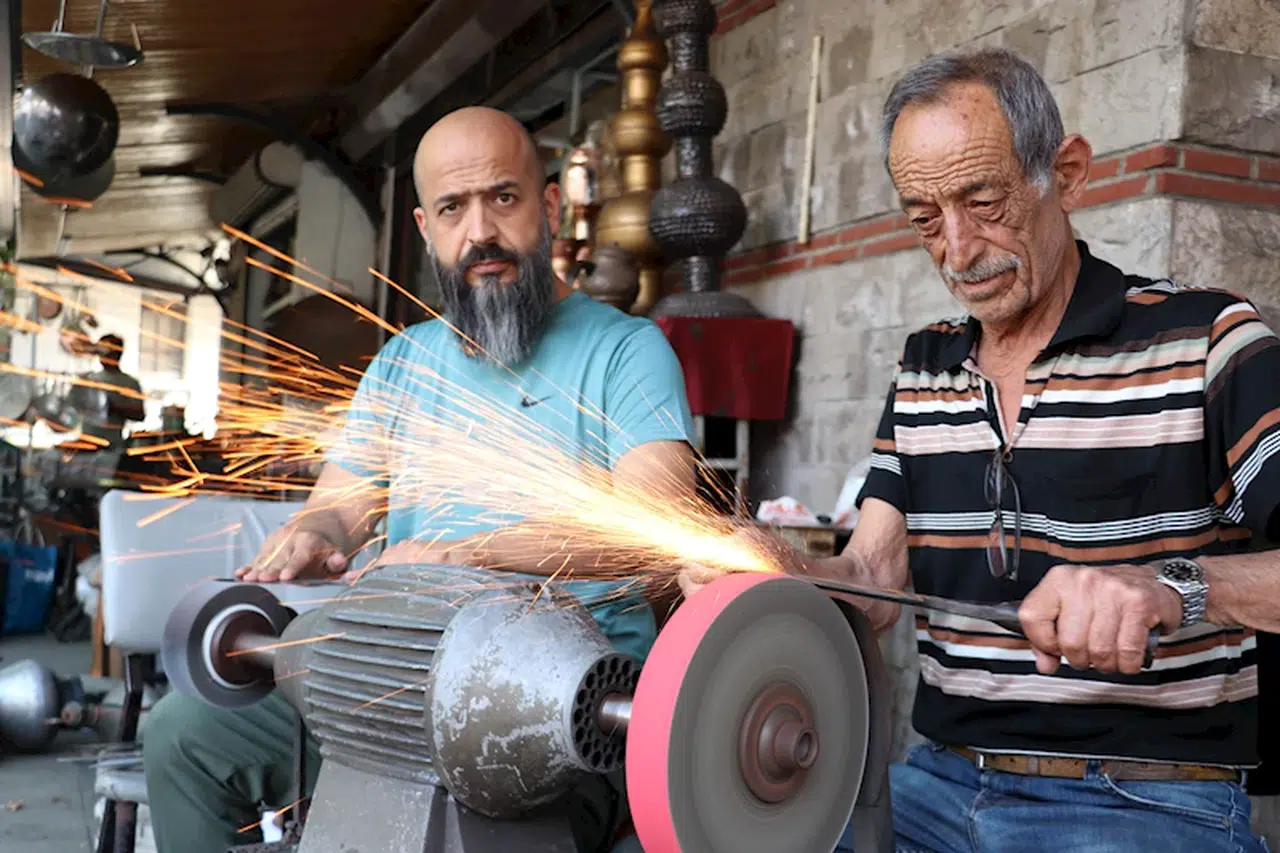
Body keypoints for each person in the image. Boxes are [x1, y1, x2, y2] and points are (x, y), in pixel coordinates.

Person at [684, 48, 1280, 853]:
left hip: (1140, 800)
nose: (958, 252)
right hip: (936, 784)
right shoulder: (925, 365)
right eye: (925, 218)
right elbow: (870, 580)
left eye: (984, 201)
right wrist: (784, 569)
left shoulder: (1207, 340)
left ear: (1066, 175)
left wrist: (1172, 586)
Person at [142, 106, 698, 853]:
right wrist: (312, 532)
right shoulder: (403, 362)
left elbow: (657, 537)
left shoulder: (629, 353)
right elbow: (340, 511)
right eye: (453, 209)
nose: (481, 234)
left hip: (561, 707)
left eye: (504, 197)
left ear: (551, 207)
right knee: (184, 735)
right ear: (426, 227)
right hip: (395, 681)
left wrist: (466, 556)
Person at [79, 333, 145, 450]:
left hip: (112, 448)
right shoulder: (88, 379)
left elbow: (140, 415)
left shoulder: (129, 383)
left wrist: (114, 407)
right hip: (87, 445)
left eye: (105, 350)